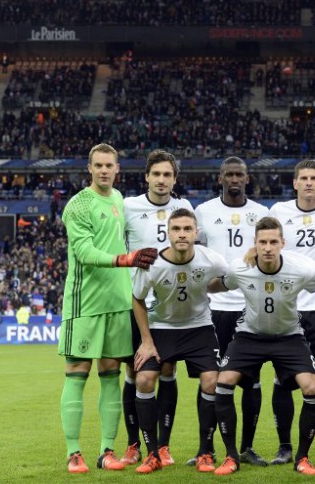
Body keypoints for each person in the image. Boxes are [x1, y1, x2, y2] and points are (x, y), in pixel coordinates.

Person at [58, 143, 159, 474]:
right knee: (77, 374)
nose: (103, 170)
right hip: (85, 303)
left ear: (118, 169)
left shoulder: (118, 200)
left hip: (118, 301)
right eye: (98, 165)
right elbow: (85, 252)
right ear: (89, 168)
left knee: (110, 376)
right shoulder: (78, 205)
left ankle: (106, 451)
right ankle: (74, 453)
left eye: (109, 165)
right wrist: (125, 260)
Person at [207, 217, 315, 475]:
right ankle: (231, 457)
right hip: (250, 336)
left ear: (283, 243)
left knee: (313, 387)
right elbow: (215, 285)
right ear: (255, 244)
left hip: (289, 336)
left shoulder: (299, 269)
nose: (268, 247)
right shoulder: (240, 268)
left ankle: (302, 458)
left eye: (273, 242)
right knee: (224, 382)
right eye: (263, 242)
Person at [131, 209, 226, 474]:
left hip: (199, 328)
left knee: (211, 380)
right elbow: (137, 298)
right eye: (176, 229)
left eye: (187, 229)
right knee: (144, 380)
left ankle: (205, 452)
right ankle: (152, 454)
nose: (182, 234)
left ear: (196, 233)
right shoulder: (153, 263)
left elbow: (225, 279)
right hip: (162, 327)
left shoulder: (211, 259)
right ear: (168, 233)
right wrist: (147, 341)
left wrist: (219, 285)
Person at [267, 159, 315, 465]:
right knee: (283, 378)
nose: (310, 183)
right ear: (295, 182)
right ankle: (285, 446)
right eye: (304, 178)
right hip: (287, 307)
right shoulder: (278, 211)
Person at [119, 150, 194, 467]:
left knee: (167, 369)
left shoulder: (185, 208)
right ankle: (133, 444)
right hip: (134, 301)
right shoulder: (128, 207)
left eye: (168, 175)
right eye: (156, 174)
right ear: (146, 176)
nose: (162, 180)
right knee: (134, 371)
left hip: (169, 305)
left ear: (174, 179)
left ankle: (163, 446)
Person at [194, 157, 269, 466]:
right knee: (209, 380)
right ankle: (205, 448)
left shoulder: (261, 214)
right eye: (229, 174)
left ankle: (247, 448)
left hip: (248, 308)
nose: (235, 178)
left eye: (239, 174)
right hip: (211, 310)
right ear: (220, 178)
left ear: (247, 178)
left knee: (250, 380)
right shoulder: (204, 212)